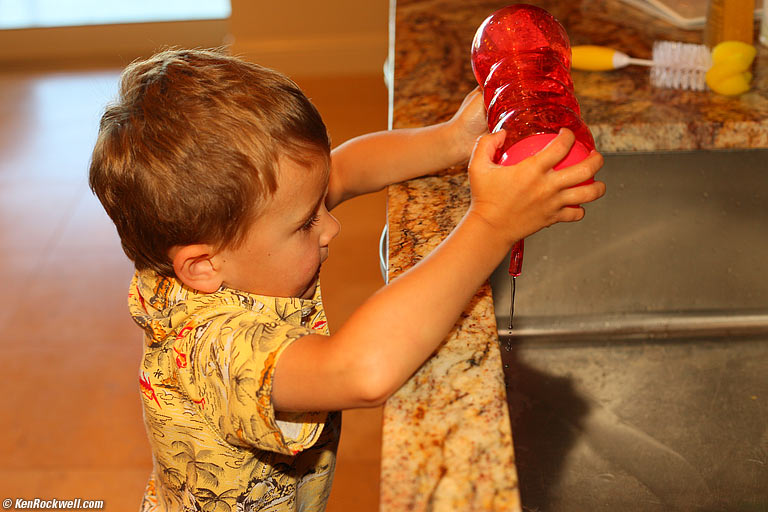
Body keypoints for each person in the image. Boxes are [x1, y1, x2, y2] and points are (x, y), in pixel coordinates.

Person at [89, 48, 605, 511]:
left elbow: (345, 170)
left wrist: (451, 138)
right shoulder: (217, 351)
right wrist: (492, 224)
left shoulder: (227, 239)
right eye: (306, 223)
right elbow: (360, 370)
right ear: (202, 267)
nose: (330, 225)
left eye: (317, 207)